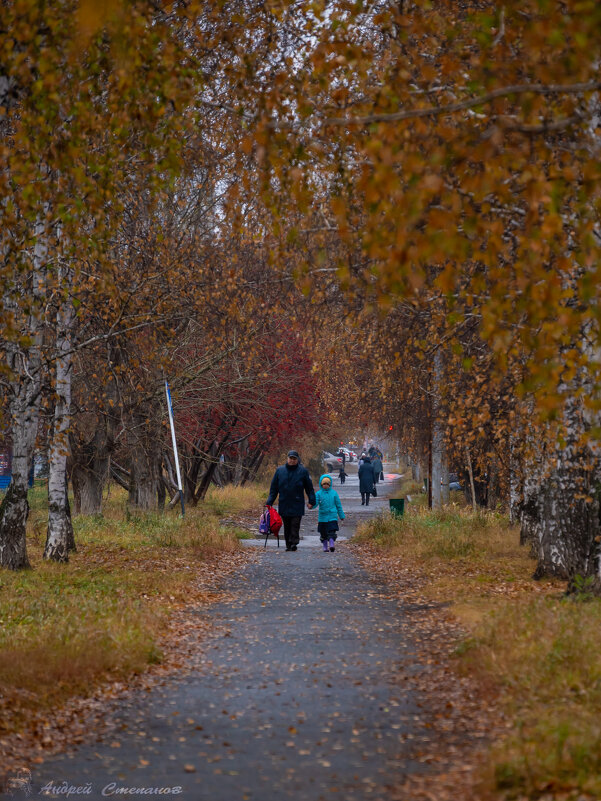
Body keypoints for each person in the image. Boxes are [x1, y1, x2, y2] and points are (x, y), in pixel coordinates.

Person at [266, 450, 316, 551]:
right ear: (287, 458)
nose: (292, 460)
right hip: (284, 502)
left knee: (295, 523)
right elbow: (274, 488)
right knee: (287, 524)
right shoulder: (280, 471)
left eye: (294, 459)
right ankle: (288, 544)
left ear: (297, 460)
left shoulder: (303, 471)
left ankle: (294, 542)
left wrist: (312, 501)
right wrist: (269, 502)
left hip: (297, 502)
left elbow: (309, 488)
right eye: (290, 458)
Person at [315, 474, 345, 552]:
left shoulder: (334, 493)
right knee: (323, 533)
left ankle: (331, 543)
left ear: (330, 484)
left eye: (327, 484)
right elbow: (315, 503)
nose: (325, 486)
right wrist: (311, 505)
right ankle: (325, 546)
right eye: (324, 484)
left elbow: (338, 505)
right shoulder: (318, 494)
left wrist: (341, 515)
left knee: (332, 531)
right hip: (322, 517)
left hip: (332, 516)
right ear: (321, 484)